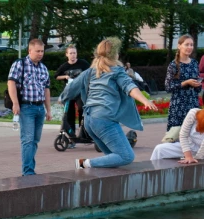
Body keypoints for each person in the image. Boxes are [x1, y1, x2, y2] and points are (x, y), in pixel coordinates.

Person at [61, 37, 157, 169]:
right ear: (114, 55)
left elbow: (70, 88)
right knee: (126, 156)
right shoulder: (117, 71)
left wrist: (62, 99)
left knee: (113, 158)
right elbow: (130, 87)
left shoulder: (90, 72)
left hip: (89, 121)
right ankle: (85, 163)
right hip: (104, 120)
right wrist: (145, 100)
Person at [7, 38, 52, 176]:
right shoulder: (20, 64)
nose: (40, 54)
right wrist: (15, 102)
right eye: (37, 51)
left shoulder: (43, 68)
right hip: (26, 107)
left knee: (35, 140)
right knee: (27, 140)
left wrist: (48, 109)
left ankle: (30, 167)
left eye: (42, 51)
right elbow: (11, 83)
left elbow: (46, 90)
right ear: (30, 50)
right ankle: (28, 172)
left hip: (39, 108)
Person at [54, 45, 89, 145]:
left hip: (80, 91)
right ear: (67, 55)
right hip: (69, 92)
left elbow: (91, 72)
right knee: (69, 114)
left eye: (74, 53)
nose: (73, 55)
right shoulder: (64, 66)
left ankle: (84, 134)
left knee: (82, 109)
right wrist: (65, 76)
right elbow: (56, 76)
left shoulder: (83, 63)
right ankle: (72, 138)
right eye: (71, 53)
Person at [165, 34, 201, 132]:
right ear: (179, 46)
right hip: (178, 107)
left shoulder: (194, 63)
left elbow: (198, 89)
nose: (190, 47)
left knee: (194, 135)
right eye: (187, 44)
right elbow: (168, 87)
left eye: (191, 45)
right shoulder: (173, 65)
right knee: (176, 136)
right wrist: (185, 83)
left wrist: (198, 84)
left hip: (193, 104)